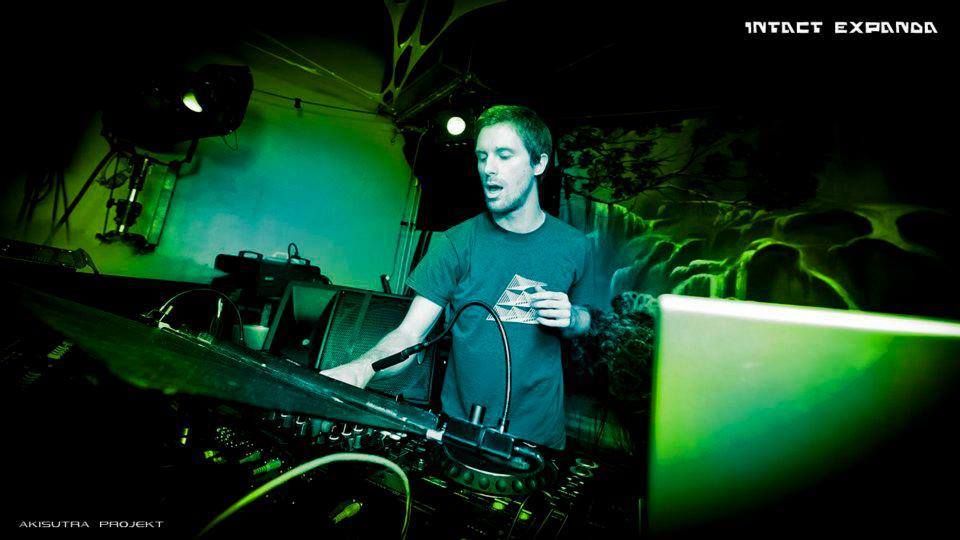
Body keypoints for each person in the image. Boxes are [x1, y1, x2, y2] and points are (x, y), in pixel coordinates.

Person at [321, 105, 599, 450]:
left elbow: (591, 319)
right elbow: (408, 334)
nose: (488, 168)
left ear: (538, 163)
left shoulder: (575, 246)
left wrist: (573, 317)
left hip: (540, 440)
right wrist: (364, 368)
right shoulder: (455, 243)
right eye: (482, 156)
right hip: (461, 434)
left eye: (504, 155)